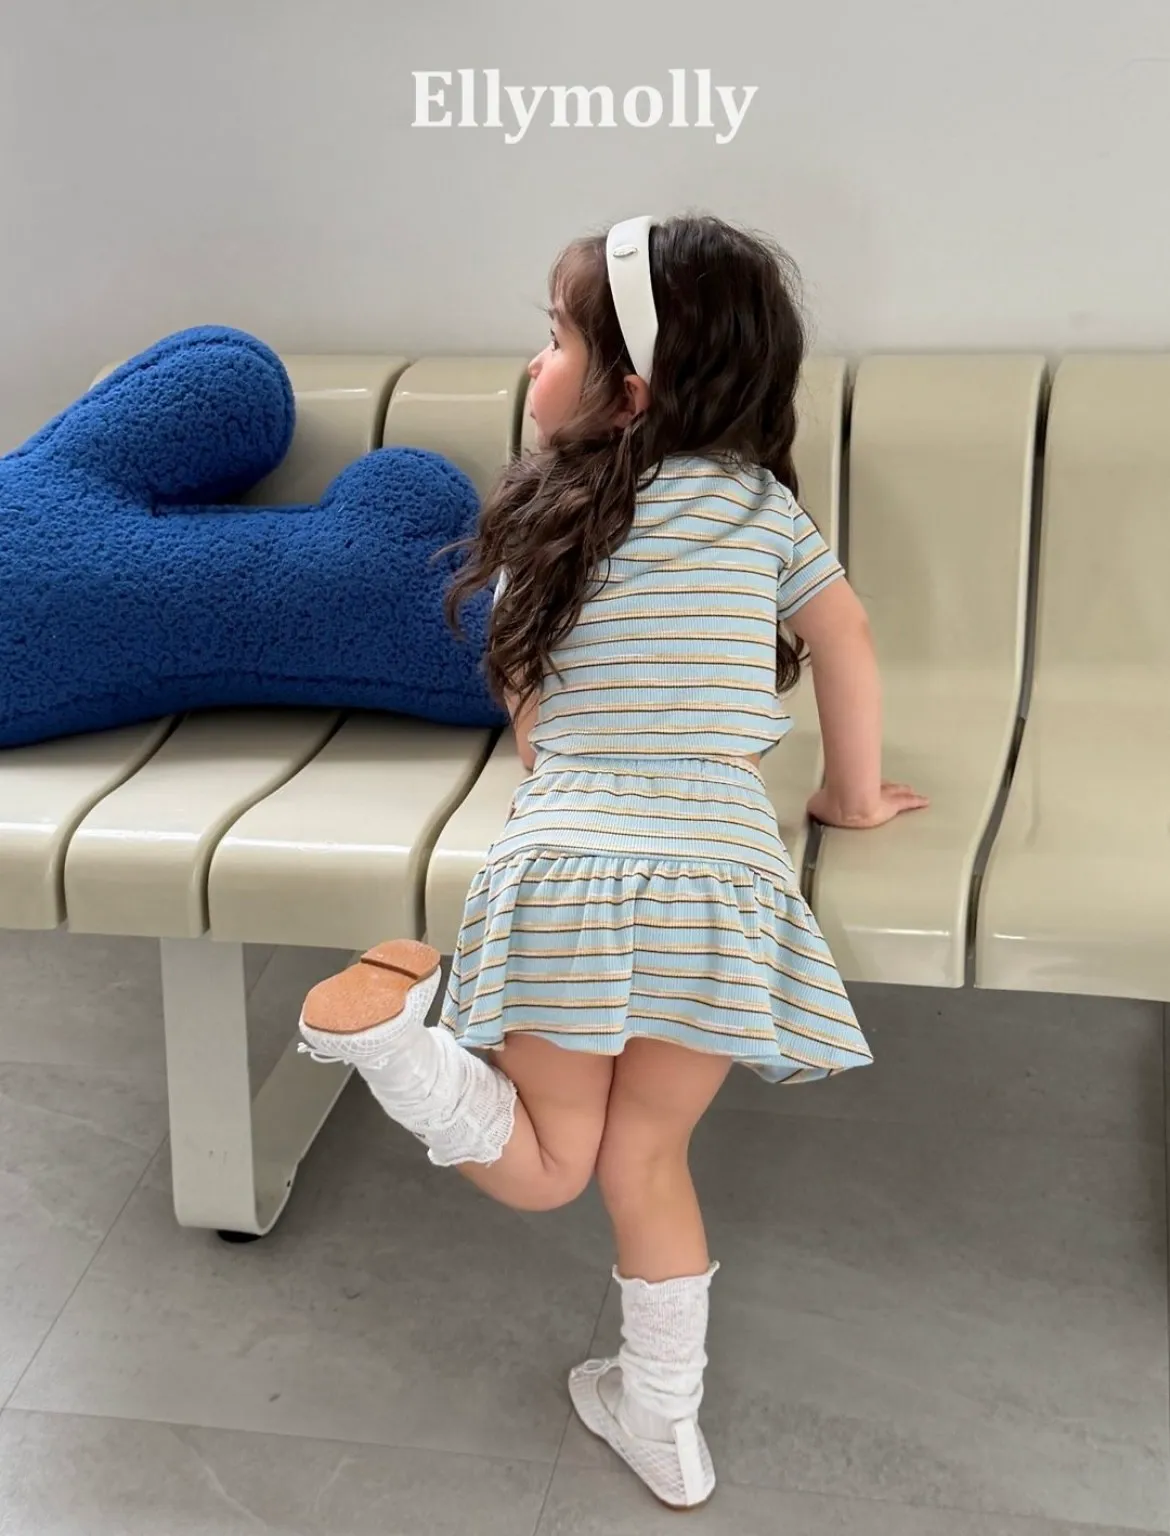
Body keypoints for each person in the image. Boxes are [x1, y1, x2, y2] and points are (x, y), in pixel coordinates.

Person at [296, 212, 928, 1510]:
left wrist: (578, 775)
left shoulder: (544, 517)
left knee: (547, 1167)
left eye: (551, 339)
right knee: (647, 1161)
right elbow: (847, 638)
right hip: (720, 884)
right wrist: (850, 797)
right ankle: (661, 1423)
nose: (533, 364)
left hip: (565, 872)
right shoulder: (762, 508)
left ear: (627, 390)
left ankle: (399, 1051)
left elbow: (534, 724)